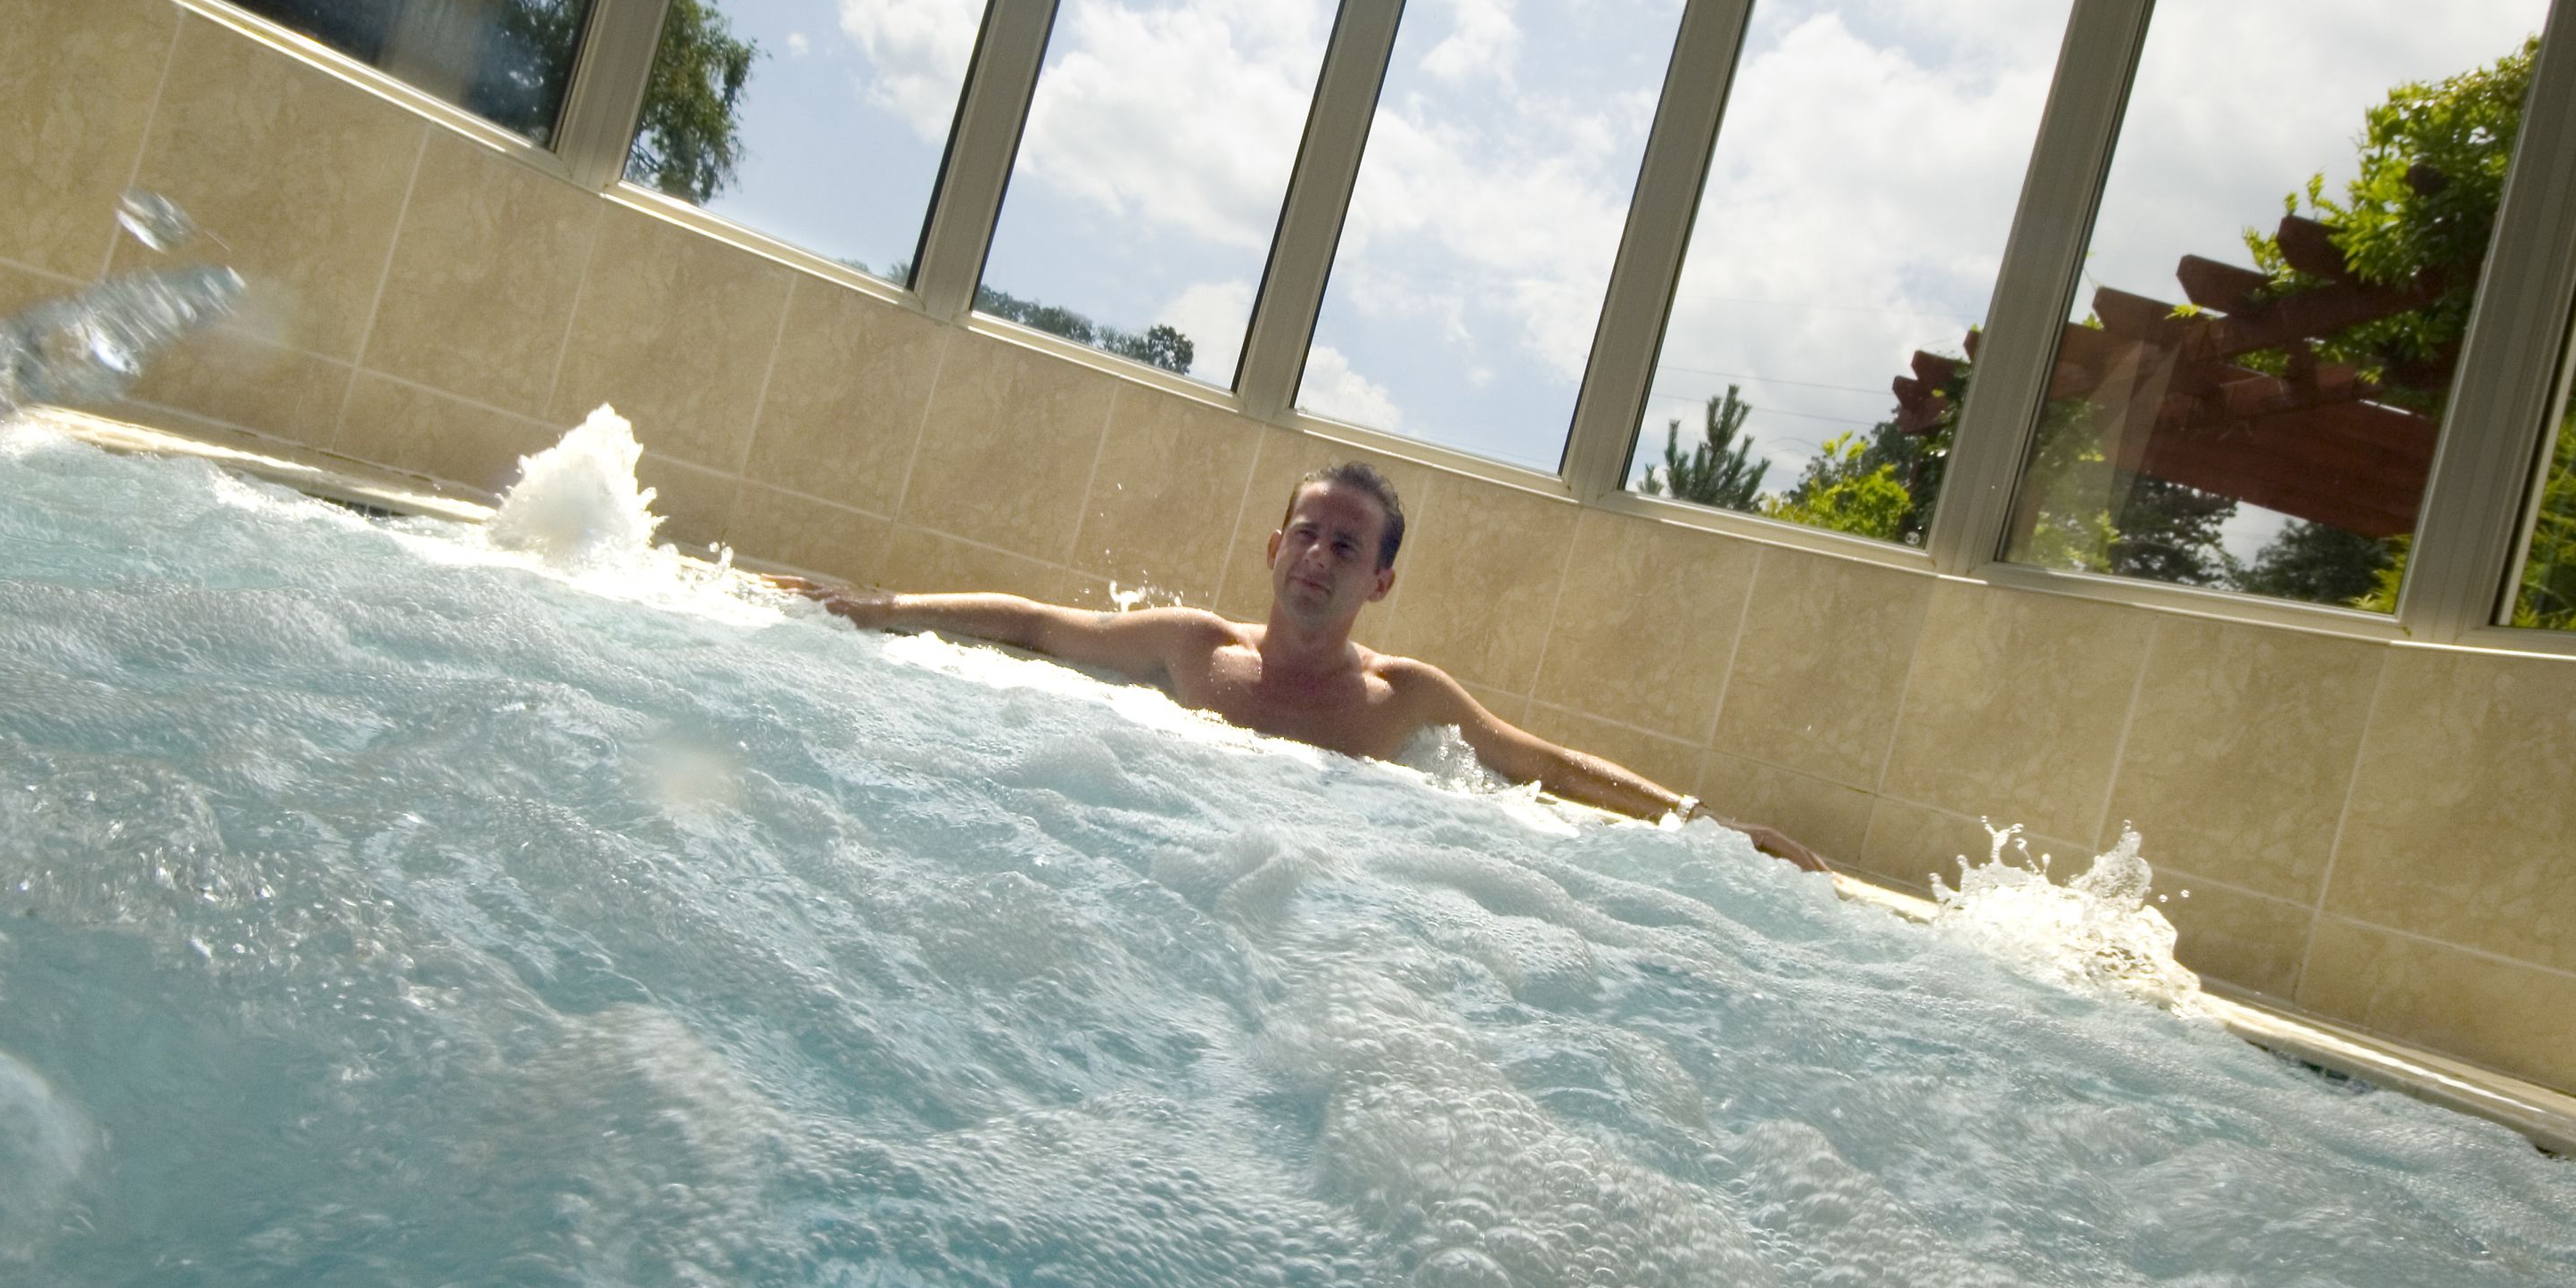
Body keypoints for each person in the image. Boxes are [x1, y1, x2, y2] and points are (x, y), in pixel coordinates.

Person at [777, 461, 1830, 874]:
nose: (1319, 555)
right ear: (1271, 548)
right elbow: (1040, 627)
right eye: (1306, 534)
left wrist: (1709, 827)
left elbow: (1543, 764)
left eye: (1347, 545)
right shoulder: (1196, 650)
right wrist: (879, 608)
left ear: (1379, 583)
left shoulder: (1396, 699)